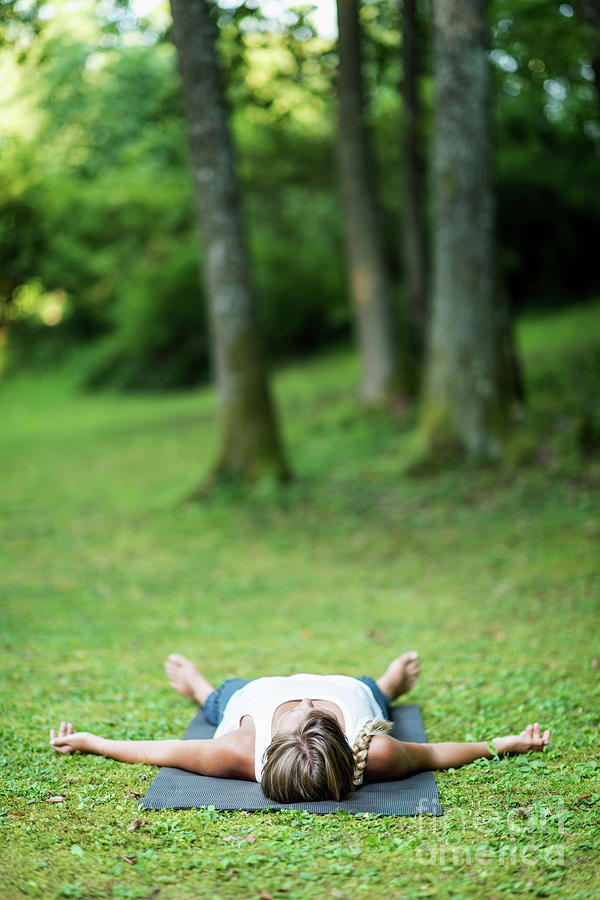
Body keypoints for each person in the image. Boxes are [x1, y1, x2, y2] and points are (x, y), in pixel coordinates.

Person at [50, 651, 550, 803]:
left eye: (302, 714)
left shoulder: (239, 749)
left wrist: (93, 740)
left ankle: (200, 689)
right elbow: (436, 753)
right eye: (316, 715)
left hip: (249, 692)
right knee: (376, 692)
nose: (307, 698)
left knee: (217, 702)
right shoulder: (376, 752)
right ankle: (389, 684)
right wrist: (501, 744)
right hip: (354, 686)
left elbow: (159, 750)